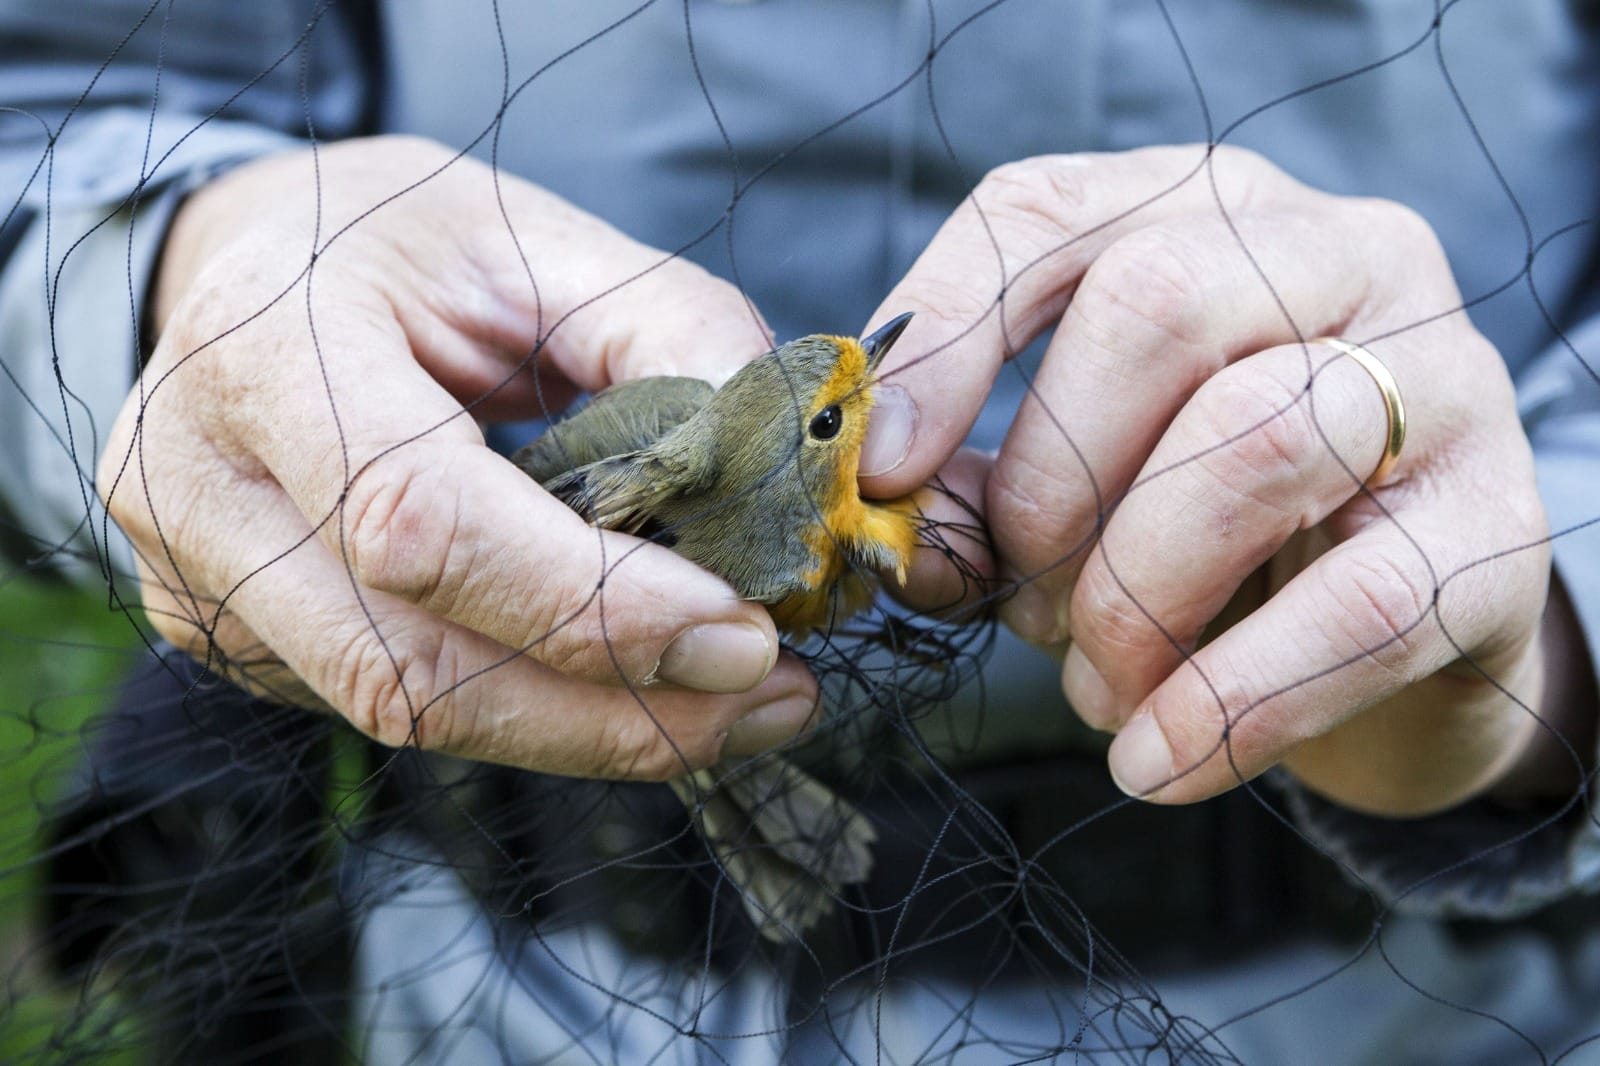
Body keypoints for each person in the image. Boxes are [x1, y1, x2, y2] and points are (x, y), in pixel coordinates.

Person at [3, 1, 1598, 1061]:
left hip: (1412, 988)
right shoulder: (750, 509)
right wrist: (188, 283)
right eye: (844, 419)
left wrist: (1538, 611)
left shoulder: (858, 527)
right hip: (508, 966)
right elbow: (56, 104)